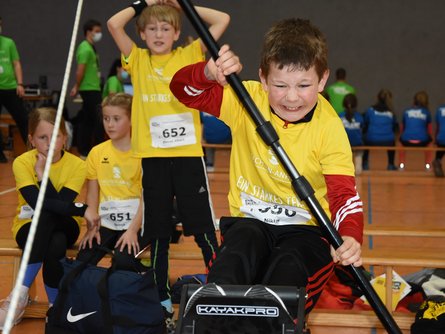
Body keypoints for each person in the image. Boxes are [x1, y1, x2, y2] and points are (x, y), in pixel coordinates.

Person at [170, 18, 364, 315]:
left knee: (284, 279)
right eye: (280, 85)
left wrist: (350, 235)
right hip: (250, 223)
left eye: (303, 85)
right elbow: (183, 90)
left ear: (322, 80)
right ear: (263, 78)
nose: (292, 97)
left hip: (306, 231)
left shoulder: (329, 127)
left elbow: (343, 194)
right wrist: (208, 72)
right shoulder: (245, 99)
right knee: (230, 269)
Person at [107, 0, 230, 329]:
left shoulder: (189, 54)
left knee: (203, 229)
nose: (158, 33)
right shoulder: (137, 59)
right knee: (158, 233)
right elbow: (113, 25)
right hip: (154, 160)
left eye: (165, 28)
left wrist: (179, 4)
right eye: (152, 28)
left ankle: (221, 289)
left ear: (177, 33)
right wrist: (144, 3)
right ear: (143, 34)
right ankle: (160, 297)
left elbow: (222, 19)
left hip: (188, 157)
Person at [0, 107, 96, 329]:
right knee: (55, 241)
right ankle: (56, 307)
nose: (50, 143)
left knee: (50, 218)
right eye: (43, 137)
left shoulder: (77, 165)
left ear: (65, 138)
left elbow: (58, 206)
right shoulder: (22, 162)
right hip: (28, 227)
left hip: (66, 224)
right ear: (32, 140)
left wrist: (42, 175)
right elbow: (38, 203)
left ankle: (19, 294)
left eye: (56, 137)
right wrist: (81, 208)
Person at [77, 93, 149, 275]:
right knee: (83, 259)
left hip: (136, 222)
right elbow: (92, 194)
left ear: (132, 119)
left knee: (123, 260)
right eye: (106, 118)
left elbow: (146, 197)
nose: (110, 124)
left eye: (116, 119)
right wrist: (91, 227)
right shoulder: (97, 152)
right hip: (106, 223)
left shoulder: (144, 154)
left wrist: (133, 230)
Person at [70, 19, 104, 159]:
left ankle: (84, 150)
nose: (99, 34)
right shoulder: (84, 48)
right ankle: (94, 151)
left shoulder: (91, 48)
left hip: (93, 87)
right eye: (96, 31)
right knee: (98, 119)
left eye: (99, 32)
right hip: (89, 89)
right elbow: (80, 70)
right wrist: (77, 86)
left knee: (88, 119)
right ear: (88, 32)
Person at [0, 16, 28, 163]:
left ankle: (32, 151)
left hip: (10, 88)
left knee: (23, 119)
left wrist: (20, 84)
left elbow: (16, 64)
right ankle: (1, 156)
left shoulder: (9, 43)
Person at [362, 89, 399, 171]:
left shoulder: (370, 110)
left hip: (371, 140)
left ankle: (364, 164)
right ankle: (391, 164)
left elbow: (365, 123)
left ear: (377, 98)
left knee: (365, 139)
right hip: (388, 141)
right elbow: (394, 127)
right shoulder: (391, 113)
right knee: (392, 142)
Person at [398, 91, 433, 171]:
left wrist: (403, 136)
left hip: (406, 140)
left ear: (414, 100)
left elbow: (402, 128)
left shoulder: (406, 111)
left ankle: (401, 165)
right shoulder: (426, 112)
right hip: (422, 141)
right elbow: (430, 130)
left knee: (400, 143)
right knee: (430, 144)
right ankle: (428, 166)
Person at [339, 93, 365, 175]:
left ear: (343, 104)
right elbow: (362, 129)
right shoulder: (359, 117)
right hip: (357, 144)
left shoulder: (339, 116)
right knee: (359, 147)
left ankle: (344, 170)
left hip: (343, 145)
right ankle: (358, 169)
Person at [433, 103, 445, 177]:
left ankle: (437, 160)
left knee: (441, 145)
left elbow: (438, 126)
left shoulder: (440, 109)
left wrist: (436, 138)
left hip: (441, 138)